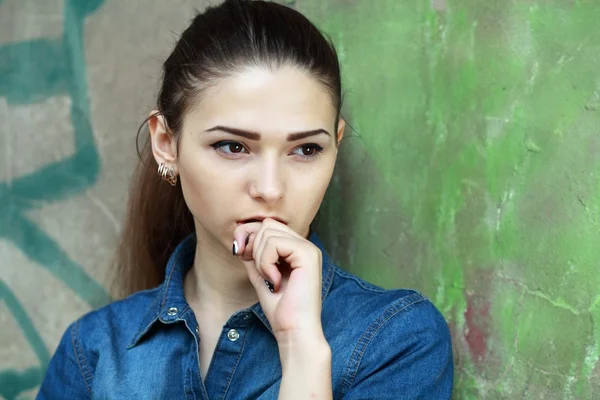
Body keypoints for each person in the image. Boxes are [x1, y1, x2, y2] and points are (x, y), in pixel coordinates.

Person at [37, 0, 453, 398]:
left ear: (335, 146)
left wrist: (301, 349)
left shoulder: (396, 340)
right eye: (232, 147)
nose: (270, 189)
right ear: (166, 143)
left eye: (306, 149)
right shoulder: (92, 353)